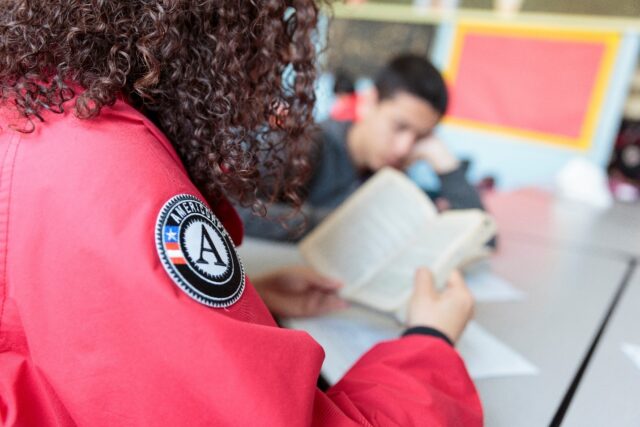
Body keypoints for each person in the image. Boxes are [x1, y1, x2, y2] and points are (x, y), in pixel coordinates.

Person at [0, 2, 482, 426]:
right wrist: (428, 344)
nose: (272, 58)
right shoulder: (117, 170)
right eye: (275, 21)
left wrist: (250, 304)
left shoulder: (36, 106)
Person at [240, 54, 486, 241]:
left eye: (420, 137)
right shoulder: (305, 144)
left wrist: (445, 163)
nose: (404, 148)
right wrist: (348, 225)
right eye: (399, 127)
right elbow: (232, 212)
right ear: (369, 102)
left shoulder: (389, 173)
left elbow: (482, 235)